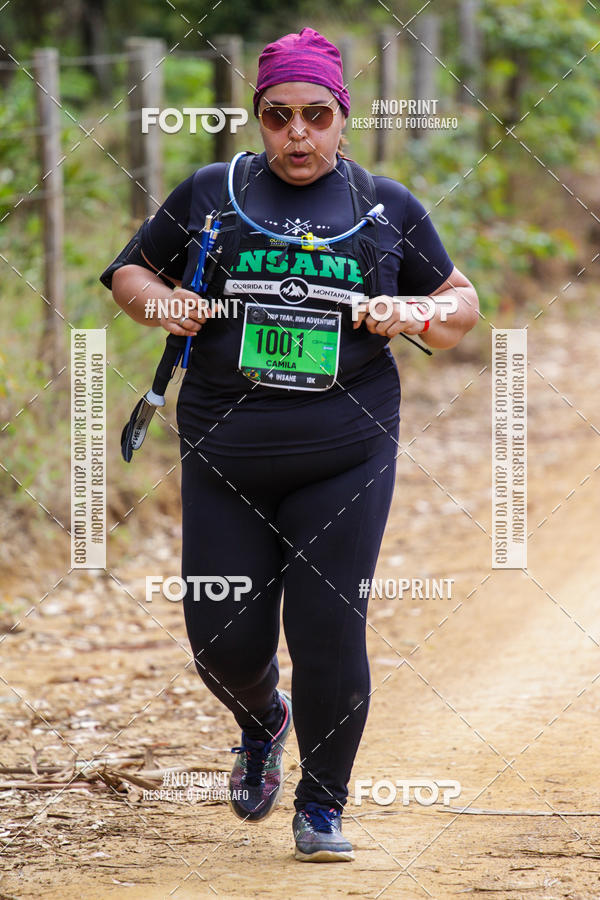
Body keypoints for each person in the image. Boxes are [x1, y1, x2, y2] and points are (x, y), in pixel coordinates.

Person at [101, 26, 478, 863]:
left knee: (326, 627)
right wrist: (160, 304)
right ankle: (260, 718)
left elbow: (459, 305)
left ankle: (322, 807)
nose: (297, 134)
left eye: (316, 115)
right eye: (278, 117)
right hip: (225, 450)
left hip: (346, 449)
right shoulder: (211, 192)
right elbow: (130, 272)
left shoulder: (383, 208)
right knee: (219, 637)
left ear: (342, 117)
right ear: (257, 119)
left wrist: (411, 313)